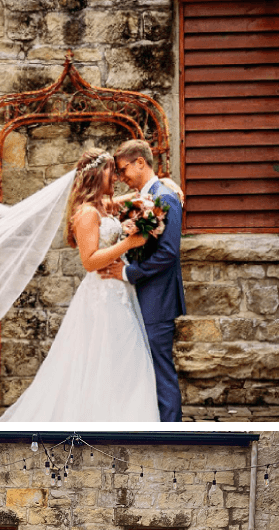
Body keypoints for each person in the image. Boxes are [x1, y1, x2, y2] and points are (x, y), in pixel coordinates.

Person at [0, 148, 160, 421]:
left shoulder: (100, 206)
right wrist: (129, 243)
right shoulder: (86, 213)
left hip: (118, 289)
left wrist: (160, 189)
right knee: (108, 354)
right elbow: (90, 261)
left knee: (120, 355)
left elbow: (126, 199)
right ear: (97, 174)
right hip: (102, 294)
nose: (117, 177)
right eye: (111, 171)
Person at [100, 140, 186, 422]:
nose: (121, 177)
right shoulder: (146, 197)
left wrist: (127, 273)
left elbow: (168, 253)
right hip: (140, 297)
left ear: (140, 162)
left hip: (157, 300)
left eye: (123, 170)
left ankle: (172, 432)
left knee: (161, 370)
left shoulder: (165, 198)